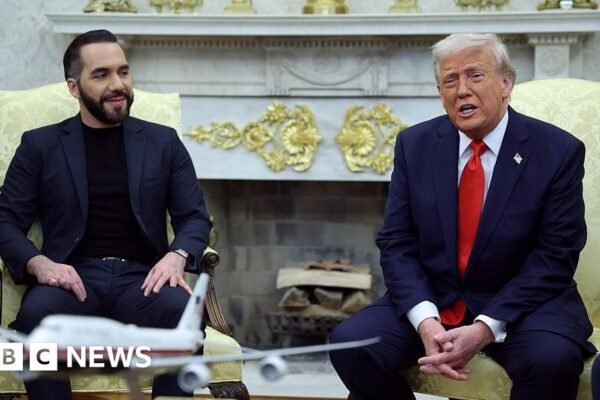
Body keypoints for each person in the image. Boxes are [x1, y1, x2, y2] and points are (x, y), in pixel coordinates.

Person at [329, 33, 596, 400]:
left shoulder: (557, 151)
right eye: (450, 80)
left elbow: (555, 255)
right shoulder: (415, 145)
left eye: (475, 75)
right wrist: (425, 321)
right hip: (437, 297)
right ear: (440, 92)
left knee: (551, 361)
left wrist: (485, 327)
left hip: (526, 305)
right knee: (351, 344)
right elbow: (396, 242)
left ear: (506, 84)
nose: (462, 90)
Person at [0, 29, 212, 399]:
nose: (118, 84)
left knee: (184, 315)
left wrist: (177, 255)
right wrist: (39, 264)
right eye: (101, 75)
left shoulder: (163, 142)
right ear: (74, 87)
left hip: (143, 280)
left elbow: (194, 216)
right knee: (35, 318)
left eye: (123, 72)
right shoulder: (40, 146)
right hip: (71, 280)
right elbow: (5, 221)